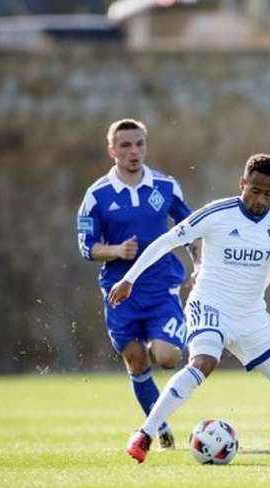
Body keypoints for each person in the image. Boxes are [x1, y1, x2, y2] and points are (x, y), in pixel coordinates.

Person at [108, 153, 270, 464]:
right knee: (203, 362)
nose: (261, 199)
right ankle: (145, 433)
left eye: (269, 193)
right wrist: (129, 279)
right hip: (210, 304)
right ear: (242, 184)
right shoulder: (216, 213)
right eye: (255, 191)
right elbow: (166, 241)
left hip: (251, 315)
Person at [77, 118, 199, 449]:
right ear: (112, 150)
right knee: (136, 360)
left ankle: (157, 339)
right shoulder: (97, 196)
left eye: (139, 144)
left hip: (161, 287)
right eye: (126, 145)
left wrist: (199, 265)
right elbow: (86, 246)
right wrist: (116, 250)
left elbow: (191, 229)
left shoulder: (166, 187)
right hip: (120, 291)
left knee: (168, 357)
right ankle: (158, 428)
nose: (134, 151)